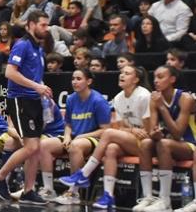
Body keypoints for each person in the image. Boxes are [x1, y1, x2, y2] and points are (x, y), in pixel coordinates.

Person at [58, 66, 150, 209]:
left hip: (146, 143)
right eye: (121, 72)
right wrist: (131, 129)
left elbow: (148, 130)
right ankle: (108, 195)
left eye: (127, 73)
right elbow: (121, 127)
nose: (122, 75)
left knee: (108, 133)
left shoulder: (143, 95)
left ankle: (84, 173)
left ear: (136, 80)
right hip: (130, 139)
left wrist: (133, 130)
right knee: (111, 149)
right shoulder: (119, 97)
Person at [0, 10, 52, 205]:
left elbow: (34, 76)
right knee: (31, 146)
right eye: (42, 25)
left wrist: (44, 92)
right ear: (31, 24)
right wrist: (36, 86)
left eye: (47, 25)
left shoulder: (38, 48)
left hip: (34, 100)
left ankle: (28, 191)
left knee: (36, 148)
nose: (46, 29)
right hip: (20, 99)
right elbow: (10, 73)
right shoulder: (22, 45)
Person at [38, 68, 111, 205]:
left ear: (88, 81)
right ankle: (48, 189)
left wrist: (82, 136)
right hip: (74, 137)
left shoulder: (98, 100)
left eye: (79, 79)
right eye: (73, 79)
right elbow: (68, 124)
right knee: (44, 145)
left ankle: (73, 192)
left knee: (75, 146)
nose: (74, 82)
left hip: (94, 138)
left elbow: (105, 130)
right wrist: (66, 136)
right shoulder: (71, 99)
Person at [132, 66, 195, 212]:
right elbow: (152, 130)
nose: (155, 81)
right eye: (154, 77)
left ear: (172, 79)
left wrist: (162, 106)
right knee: (146, 143)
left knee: (164, 144)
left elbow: (178, 133)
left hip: (189, 143)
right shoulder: (154, 99)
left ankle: (165, 200)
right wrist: (155, 134)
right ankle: (148, 197)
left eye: (160, 77)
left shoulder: (186, 98)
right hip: (166, 143)